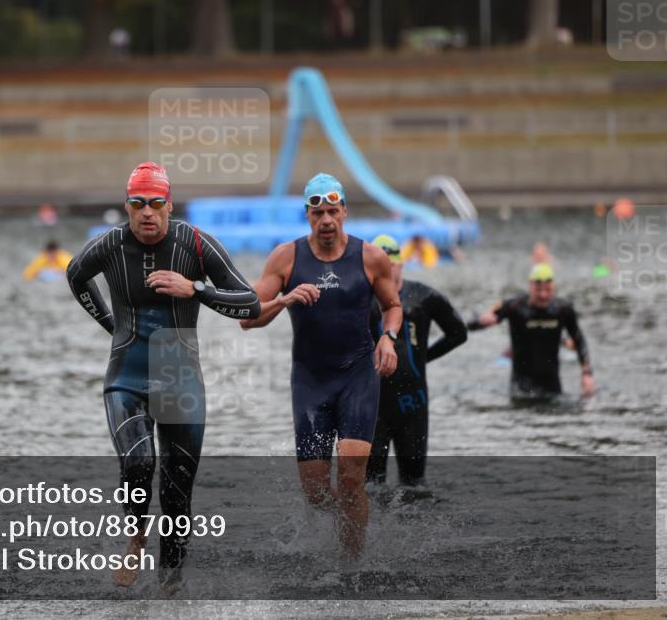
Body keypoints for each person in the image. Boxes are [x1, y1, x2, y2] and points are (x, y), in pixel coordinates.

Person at [66, 161, 259, 590]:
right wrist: (109, 324)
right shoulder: (110, 245)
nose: (147, 212)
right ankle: (135, 538)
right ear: (128, 206)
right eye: (138, 204)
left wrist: (197, 289)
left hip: (180, 378)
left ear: (169, 206)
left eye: (156, 203)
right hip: (127, 373)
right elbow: (75, 276)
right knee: (138, 462)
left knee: (176, 496)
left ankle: (170, 590)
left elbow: (251, 303)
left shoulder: (194, 243)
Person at [241, 173, 401, 559]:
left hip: (357, 377)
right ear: (308, 216)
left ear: (344, 211)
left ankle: (353, 563)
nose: (326, 219)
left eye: (333, 210)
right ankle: (351, 519)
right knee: (315, 493)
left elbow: (393, 306)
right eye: (318, 212)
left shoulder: (370, 257)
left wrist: (387, 337)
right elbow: (247, 317)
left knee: (349, 478)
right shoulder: (287, 257)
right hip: (310, 382)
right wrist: (286, 299)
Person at [365, 235, 467, 487]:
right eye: (379, 267)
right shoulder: (359, 300)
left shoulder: (424, 296)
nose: (386, 273)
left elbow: (458, 333)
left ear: (401, 264)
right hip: (371, 405)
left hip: (412, 404)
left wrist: (424, 358)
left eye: (391, 265)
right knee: (369, 487)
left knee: (414, 485)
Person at [467, 263, 595, 401]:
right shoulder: (514, 306)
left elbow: (579, 340)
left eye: (548, 290)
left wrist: (586, 373)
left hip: (551, 383)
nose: (543, 295)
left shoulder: (563, 309)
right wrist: (480, 322)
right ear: (530, 286)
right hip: (521, 385)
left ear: (553, 288)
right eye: (538, 290)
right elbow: (469, 326)